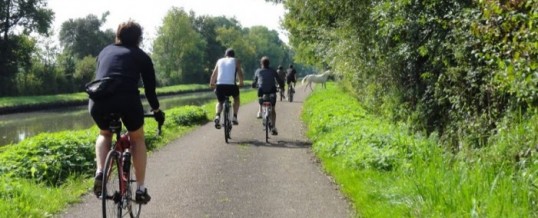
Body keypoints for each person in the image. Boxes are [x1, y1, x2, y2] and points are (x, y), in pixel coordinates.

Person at [89, 20, 164, 204]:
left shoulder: (104, 51)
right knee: (137, 138)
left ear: (118, 36)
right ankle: (140, 189)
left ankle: (100, 172)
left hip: (98, 99)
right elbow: (149, 91)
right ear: (139, 39)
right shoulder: (142, 56)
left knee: (104, 134)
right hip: (127, 100)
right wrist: (156, 110)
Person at [209, 48, 244, 129]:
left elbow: (214, 74)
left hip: (220, 85)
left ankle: (217, 116)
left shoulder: (219, 61)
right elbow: (240, 73)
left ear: (225, 55)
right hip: (231, 86)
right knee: (236, 99)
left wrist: (211, 83)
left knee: (220, 102)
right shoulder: (236, 61)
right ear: (233, 55)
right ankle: (234, 117)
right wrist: (241, 82)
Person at [252, 56, 285, 135]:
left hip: (261, 91)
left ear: (261, 63)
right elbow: (279, 80)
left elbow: (254, 82)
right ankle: (273, 127)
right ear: (269, 63)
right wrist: (282, 85)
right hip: (271, 91)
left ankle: (260, 111)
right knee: (273, 109)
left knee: (260, 97)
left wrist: (253, 85)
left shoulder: (258, 71)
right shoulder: (273, 71)